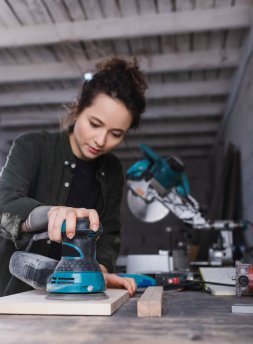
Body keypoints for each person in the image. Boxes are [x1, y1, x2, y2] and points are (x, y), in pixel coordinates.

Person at [0, 56, 147, 297]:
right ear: (78, 108)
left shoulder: (111, 169)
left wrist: (99, 270)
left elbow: (108, 233)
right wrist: (49, 214)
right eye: (95, 123)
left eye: (116, 133)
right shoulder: (32, 146)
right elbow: (3, 204)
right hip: (14, 294)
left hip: (74, 297)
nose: (101, 140)